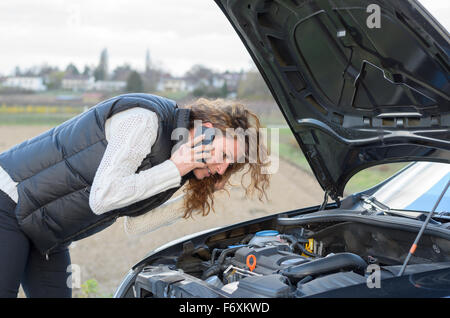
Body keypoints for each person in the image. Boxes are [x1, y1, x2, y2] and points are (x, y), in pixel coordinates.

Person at [0, 93, 270, 297]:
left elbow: (134, 222)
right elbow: (103, 198)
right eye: (223, 155)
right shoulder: (145, 121)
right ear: (206, 131)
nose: (222, 169)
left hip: (48, 233)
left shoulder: (175, 161)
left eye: (229, 163)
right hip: (8, 204)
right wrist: (174, 168)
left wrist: (190, 201)